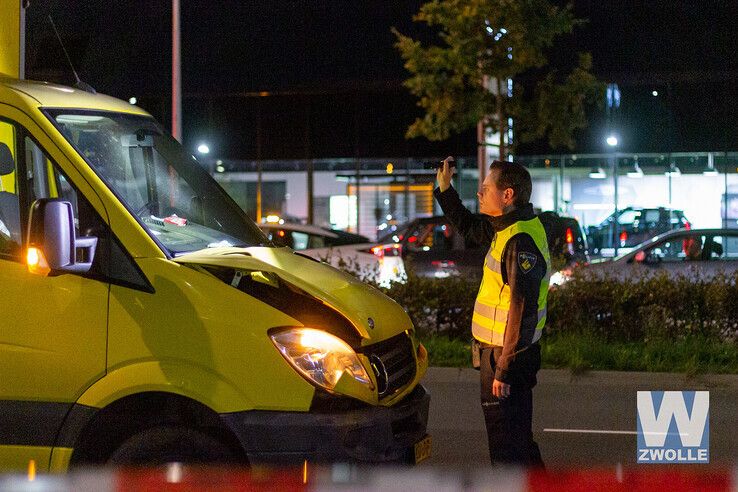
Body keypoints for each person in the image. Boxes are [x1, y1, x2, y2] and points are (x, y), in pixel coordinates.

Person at [434, 156, 549, 467]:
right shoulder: (507, 228)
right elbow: (469, 226)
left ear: (507, 195)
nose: (479, 194)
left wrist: (504, 369)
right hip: (502, 354)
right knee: (518, 443)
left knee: (506, 449)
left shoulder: (518, 240)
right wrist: (445, 190)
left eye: (485, 188)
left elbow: (521, 311)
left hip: (506, 356)